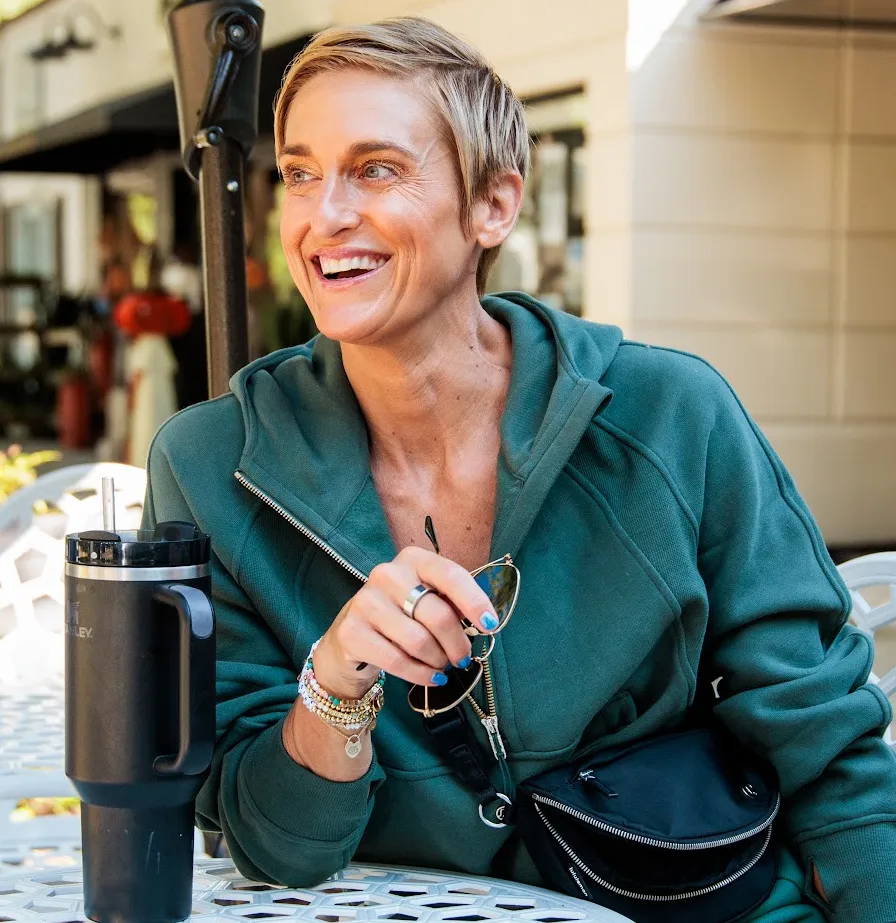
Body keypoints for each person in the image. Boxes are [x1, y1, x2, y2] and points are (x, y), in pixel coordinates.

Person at [141, 17, 896, 922]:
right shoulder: (210, 465)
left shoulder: (671, 415)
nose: (323, 214)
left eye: (375, 168)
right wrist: (336, 680)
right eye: (300, 172)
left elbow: (830, 750)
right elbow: (273, 844)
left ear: (494, 204)